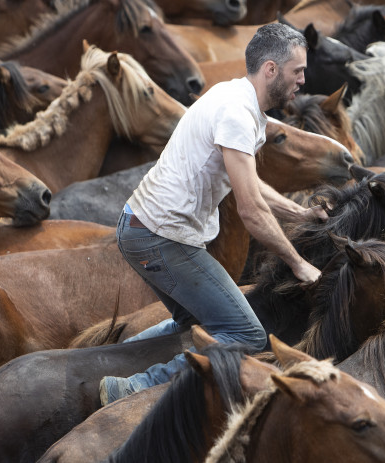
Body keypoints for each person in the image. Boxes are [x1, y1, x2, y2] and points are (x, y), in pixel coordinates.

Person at [99, 23, 332, 405]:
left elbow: (251, 185)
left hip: (144, 228)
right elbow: (251, 211)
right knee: (246, 335)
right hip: (160, 238)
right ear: (271, 69)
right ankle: (134, 388)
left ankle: (104, 361)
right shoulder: (236, 113)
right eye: (298, 71)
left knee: (195, 324)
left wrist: (299, 213)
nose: (304, 79)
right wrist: (298, 263)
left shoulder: (238, 99)